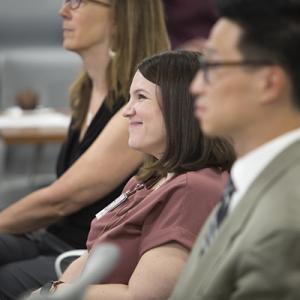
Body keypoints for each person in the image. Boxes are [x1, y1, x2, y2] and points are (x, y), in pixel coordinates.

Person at [0, 0, 170, 298]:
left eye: (77, 2)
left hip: (83, 252)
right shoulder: (85, 93)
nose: (63, 11)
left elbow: (60, 200)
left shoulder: (136, 109)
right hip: (51, 238)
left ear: (119, 17)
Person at [37, 50, 235, 300]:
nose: (126, 111)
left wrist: (55, 293)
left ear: (180, 107)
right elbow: (91, 253)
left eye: (140, 97)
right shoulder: (147, 181)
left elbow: (142, 297)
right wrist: (53, 290)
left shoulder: (191, 190)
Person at [170, 0, 300, 299]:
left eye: (211, 66)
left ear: (269, 82)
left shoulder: (283, 228)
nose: (195, 87)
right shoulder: (249, 182)